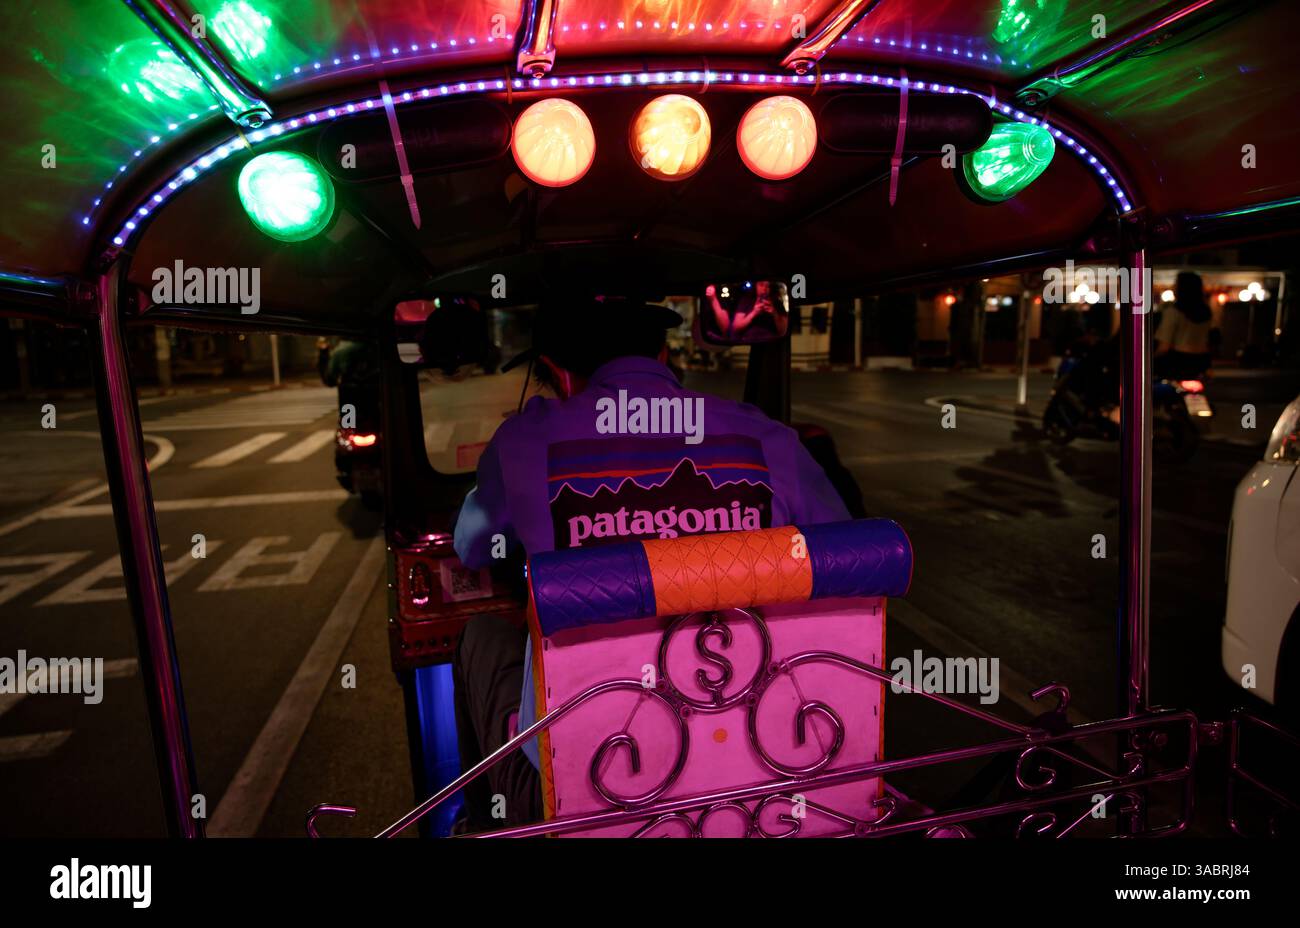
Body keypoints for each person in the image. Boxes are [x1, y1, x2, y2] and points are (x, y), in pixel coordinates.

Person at [450, 295, 850, 830]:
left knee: (478, 636)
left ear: (563, 374)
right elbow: (843, 550)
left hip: (577, 783)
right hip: (758, 756)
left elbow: (472, 547)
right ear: (664, 355)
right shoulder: (761, 432)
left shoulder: (527, 439)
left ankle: (480, 823)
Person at [1155, 271, 1212, 380]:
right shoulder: (1206, 312)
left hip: (1178, 361)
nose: (1173, 287)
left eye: (1175, 284)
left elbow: (1164, 347)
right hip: (1202, 360)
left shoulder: (1173, 312)